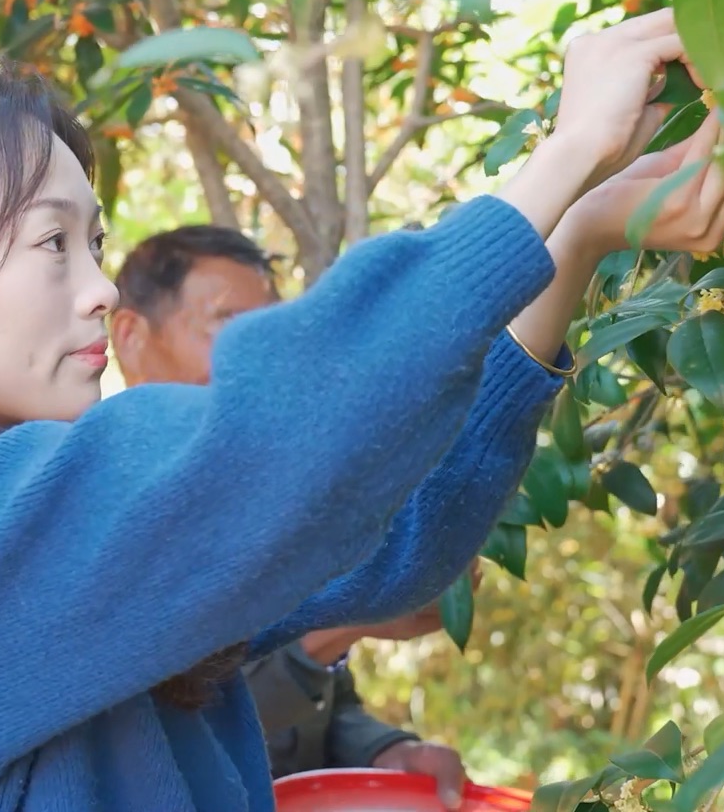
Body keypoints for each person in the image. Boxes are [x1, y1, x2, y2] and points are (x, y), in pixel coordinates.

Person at [0, 9, 724, 812]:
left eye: (94, 240)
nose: (100, 288)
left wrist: (574, 240)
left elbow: (394, 548)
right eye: (50, 244)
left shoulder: (12, 539)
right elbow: (274, 441)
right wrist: (563, 155)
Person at [109, 226, 469, 800]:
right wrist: (351, 621)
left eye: (271, 331)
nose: (265, 360)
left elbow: (323, 706)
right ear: (129, 336)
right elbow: (176, 724)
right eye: (230, 325)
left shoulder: (256, 496)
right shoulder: (101, 509)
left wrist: (385, 751)